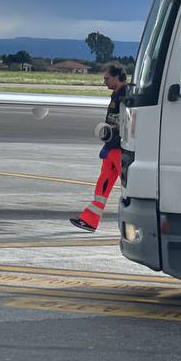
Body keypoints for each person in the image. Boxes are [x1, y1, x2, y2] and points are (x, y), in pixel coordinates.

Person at [70, 63, 128, 233]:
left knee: (129, 187)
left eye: (107, 78)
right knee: (102, 185)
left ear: (117, 77)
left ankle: (133, 223)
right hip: (111, 147)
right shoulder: (117, 95)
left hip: (120, 149)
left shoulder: (126, 96)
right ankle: (89, 220)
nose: (105, 82)